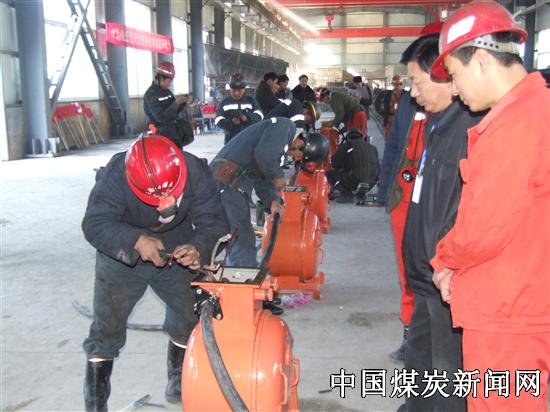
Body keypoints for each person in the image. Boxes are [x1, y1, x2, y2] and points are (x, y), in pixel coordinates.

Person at [430, 2, 550, 411]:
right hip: (525, 295)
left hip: (506, 311)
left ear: (481, 60)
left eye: (454, 74)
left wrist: (445, 262)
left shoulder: (514, 125)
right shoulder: (538, 110)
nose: (454, 89)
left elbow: (482, 230)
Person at [80, 135, 230, 410]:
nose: (165, 203)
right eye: (156, 198)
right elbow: (95, 223)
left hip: (176, 246)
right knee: (106, 328)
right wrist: (135, 241)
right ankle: (96, 403)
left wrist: (198, 248)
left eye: (171, 194)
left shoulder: (195, 171)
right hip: (121, 247)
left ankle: (177, 379)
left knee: (188, 315)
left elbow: (215, 223)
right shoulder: (116, 174)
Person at [400, 32, 484, 412]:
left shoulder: (471, 131)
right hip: (426, 276)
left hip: (447, 279)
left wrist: (445, 263)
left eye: (417, 82)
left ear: (447, 76)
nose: (413, 93)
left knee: (449, 376)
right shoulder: (440, 126)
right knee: (420, 361)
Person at [377, 21, 444, 362]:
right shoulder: (408, 101)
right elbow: (393, 144)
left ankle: (435, 341)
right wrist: (385, 189)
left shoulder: (457, 106)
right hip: (404, 198)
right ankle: (411, 334)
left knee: (436, 272)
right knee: (409, 270)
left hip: (436, 202)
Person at [143, 62, 192, 147]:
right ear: (161, 78)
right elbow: (161, 117)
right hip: (160, 135)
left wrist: (183, 102)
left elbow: (174, 111)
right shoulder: (150, 95)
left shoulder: (167, 92)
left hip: (173, 133)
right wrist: (176, 103)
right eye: (168, 81)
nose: (169, 84)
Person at [325, 129, 380, 203]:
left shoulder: (347, 145)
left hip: (354, 180)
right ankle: (362, 189)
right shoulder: (373, 148)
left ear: (348, 138)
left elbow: (335, 163)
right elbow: (379, 169)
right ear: (361, 137)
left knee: (328, 174)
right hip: (371, 182)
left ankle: (346, 193)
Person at [215, 73, 264, 144]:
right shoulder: (224, 103)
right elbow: (218, 120)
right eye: (234, 90)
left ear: (244, 89)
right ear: (230, 89)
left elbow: (260, 116)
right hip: (231, 141)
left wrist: (247, 117)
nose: (236, 93)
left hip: (250, 140)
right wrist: (231, 122)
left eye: (239, 90)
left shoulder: (251, 101)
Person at [383, 75, 404, 139]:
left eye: (399, 84)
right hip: (389, 121)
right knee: (388, 139)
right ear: (392, 84)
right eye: (395, 84)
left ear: (402, 84)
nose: (397, 86)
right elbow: (384, 107)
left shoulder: (406, 95)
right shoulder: (388, 94)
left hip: (401, 121)